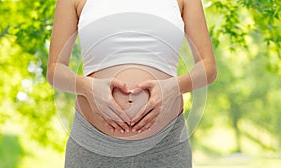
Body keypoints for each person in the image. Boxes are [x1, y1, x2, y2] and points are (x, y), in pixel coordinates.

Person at [47, 0, 217, 167]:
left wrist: (173, 88)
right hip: (93, 143)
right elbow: (55, 70)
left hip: (166, 145)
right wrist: (87, 87)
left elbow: (207, 66)